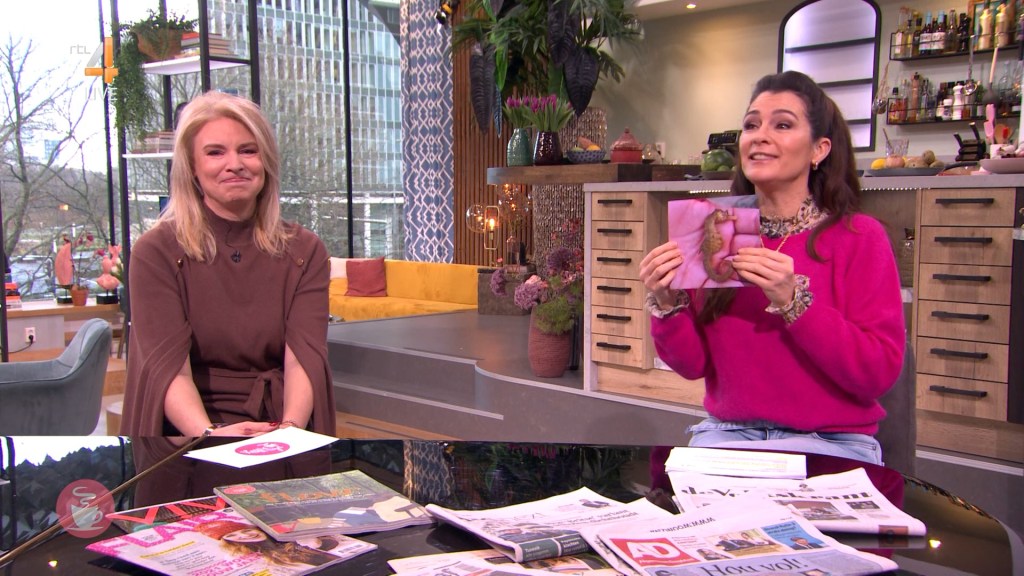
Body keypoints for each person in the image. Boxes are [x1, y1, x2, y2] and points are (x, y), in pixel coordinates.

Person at [639, 70, 905, 466]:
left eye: (782, 125)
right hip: (729, 435)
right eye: (751, 125)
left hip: (830, 440)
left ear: (819, 149)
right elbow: (693, 367)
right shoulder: (718, 231)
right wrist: (666, 302)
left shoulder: (860, 237)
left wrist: (794, 302)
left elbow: (877, 374)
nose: (759, 136)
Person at [120, 90, 335, 439]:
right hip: (188, 431)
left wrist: (289, 433)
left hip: (278, 424)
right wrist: (211, 435)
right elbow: (171, 372)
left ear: (266, 162)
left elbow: (302, 362)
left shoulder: (304, 251)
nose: (234, 164)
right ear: (192, 167)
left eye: (248, 150)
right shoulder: (155, 252)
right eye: (215, 152)